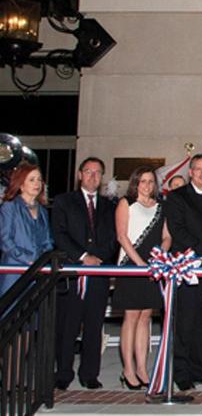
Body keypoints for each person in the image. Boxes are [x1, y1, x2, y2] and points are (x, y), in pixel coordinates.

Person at [52, 157, 118, 390]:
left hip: (98, 274)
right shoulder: (64, 202)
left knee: (94, 325)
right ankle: (63, 373)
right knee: (67, 326)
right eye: (88, 171)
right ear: (80, 174)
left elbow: (113, 238)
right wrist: (83, 257)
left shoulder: (110, 206)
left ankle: (90, 374)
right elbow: (59, 234)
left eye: (98, 173)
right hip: (73, 275)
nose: (93, 176)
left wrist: (98, 258)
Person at [164, 154, 202, 391]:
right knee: (186, 323)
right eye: (198, 169)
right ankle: (181, 373)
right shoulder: (177, 198)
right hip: (189, 268)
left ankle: (200, 369)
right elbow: (178, 230)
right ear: (190, 172)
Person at [112, 166, 170, 390]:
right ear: (136, 183)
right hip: (131, 265)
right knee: (131, 317)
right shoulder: (126, 203)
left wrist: (160, 256)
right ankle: (127, 368)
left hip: (153, 267)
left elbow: (167, 236)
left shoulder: (160, 207)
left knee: (146, 316)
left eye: (150, 181)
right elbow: (121, 235)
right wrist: (140, 263)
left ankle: (142, 368)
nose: (147, 185)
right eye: (143, 181)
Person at [0, 164, 53, 297]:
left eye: (39, 179)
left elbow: (48, 241)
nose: (37, 183)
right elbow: (5, 240)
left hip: (38, 273)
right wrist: (28, 259)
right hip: (14, 272)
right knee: (10, 313)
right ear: (21, 184)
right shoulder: (9, 207)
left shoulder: (43, 211)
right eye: (31, 179)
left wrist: (42, 260)